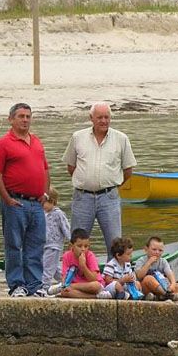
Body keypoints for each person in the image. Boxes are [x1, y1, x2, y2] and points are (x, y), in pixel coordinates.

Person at [0, 103, 51, 298]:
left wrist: (46, 193)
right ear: (11, 119)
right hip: (15, 202)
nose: (25, 120)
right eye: (21, 116)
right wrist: (6, 198)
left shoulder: (37, 141)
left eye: (28, 116)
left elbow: (45, 169)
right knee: (14, 245)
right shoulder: (3, 143)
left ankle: (34, 285)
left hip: (37, 203)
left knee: (36, 244)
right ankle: (17, 284)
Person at [62, 102, 137, 254]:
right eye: (99, 117)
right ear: (91, 118)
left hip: (109, 198)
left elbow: (128, 169)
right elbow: (71, 166)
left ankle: (113, 276)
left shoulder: (121, 139)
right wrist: (86, 181)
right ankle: (77, 275)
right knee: (77, 243)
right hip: (82, 197)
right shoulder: (78, 137)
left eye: (106, 117)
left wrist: (111, 185)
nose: (103, 121)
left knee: (116, 244)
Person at [52, 228, 106, 299]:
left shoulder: (90, 256)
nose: (83, 249)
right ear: (72, 246)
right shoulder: (66, 256)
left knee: (95, 286)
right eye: (79, 246)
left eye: (86, 246)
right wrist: (65, 285)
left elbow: (94, 279)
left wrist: (83, 266)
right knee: (64, 291)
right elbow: (65, 277)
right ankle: (95, 297)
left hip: (90, 286)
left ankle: (71, 288)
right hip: (76, 287)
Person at [135, 236, 178, 301]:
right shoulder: (141, 260)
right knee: (149, 278)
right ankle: (166, 295)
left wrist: (173, 284)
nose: (157, 252)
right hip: (146, 287)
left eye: (160, 250)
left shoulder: (163, 261)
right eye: (154, 249)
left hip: (161, 285)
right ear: (146, 249)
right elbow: (139, 276)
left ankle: (161, 296)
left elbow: (169, 273)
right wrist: (149, 263)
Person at [41, 187, 71, 290]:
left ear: (52, 202)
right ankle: (67, 281)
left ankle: (44, 287)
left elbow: (66, 228)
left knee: (47, 267)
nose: (42, 205)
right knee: (55, 268)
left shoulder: (58, 214)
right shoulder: (42, 213)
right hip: (44, 245)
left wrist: (71, 240)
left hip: (54, 246)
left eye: (44, 202)